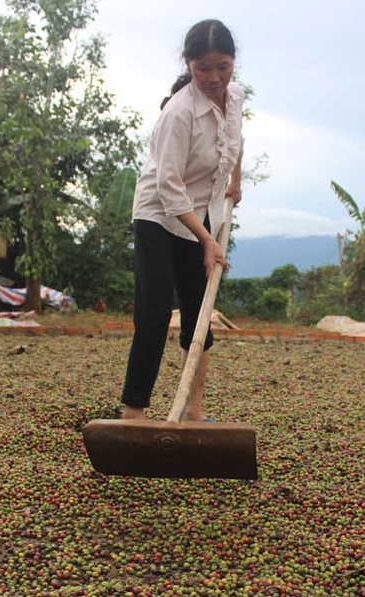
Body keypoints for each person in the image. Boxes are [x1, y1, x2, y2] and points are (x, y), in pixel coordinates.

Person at [120, 18, 244, 422]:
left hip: (202, 213)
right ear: (187, 64)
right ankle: (133, 413)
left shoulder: (235, 97)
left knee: (198, 315)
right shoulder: (178, 113)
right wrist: (207, 240)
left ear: (233, 62)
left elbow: (235, 139)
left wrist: (235, 183)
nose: (214, 77)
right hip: (159, 214)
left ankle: (193, 411)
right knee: (154, 315)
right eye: (203, 68)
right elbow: (169, 187)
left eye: (222, 66)